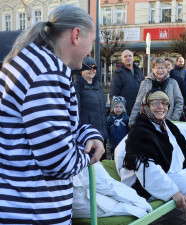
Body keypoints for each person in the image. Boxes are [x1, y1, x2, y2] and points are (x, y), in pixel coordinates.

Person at [0, 5, 105, 224]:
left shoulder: (31, 61)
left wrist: (88, 135)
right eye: (92, 43)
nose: (90, 53)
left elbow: (58, 128)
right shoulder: (46, 72)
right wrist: (90, 155)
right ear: (76, 35)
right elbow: (59, 161)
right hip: (31, 210)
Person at [121, 90, 186, 225]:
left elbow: (183, 150)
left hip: (167, 171)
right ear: (146, 107)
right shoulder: (140, 132)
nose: (161, 106)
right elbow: (147, 171)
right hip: (144, 183)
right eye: (155, 103)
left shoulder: (166, 125)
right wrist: (173, 192)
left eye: (164, 102)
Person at [129, 58, 183, 126]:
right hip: (148, 123)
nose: (160, 70)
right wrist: (132, 122)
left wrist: (173, 120)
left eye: (163, 68)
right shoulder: (145, 83)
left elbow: (179, 102)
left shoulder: (173, 83)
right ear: (152, 69)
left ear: (166, 69)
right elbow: (138, 103)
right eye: (157, 68)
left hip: (167, 122)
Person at [73, 56, 108, 147]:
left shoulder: (97, 85)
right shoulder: (77, 86)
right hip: (88, 136)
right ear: (81, 70)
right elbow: (76, 111)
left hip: (101, 134)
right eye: (88, 67)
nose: (92, 70)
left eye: (94, 67)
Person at [110, 49, 144, 115]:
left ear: (133, 58)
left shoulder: (139, 72)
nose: (128, 58)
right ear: (122, 60)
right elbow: (113, 94)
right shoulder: (118, 74)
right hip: (125, 112)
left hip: (140, 111)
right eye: (125, 56)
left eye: (130, 56)